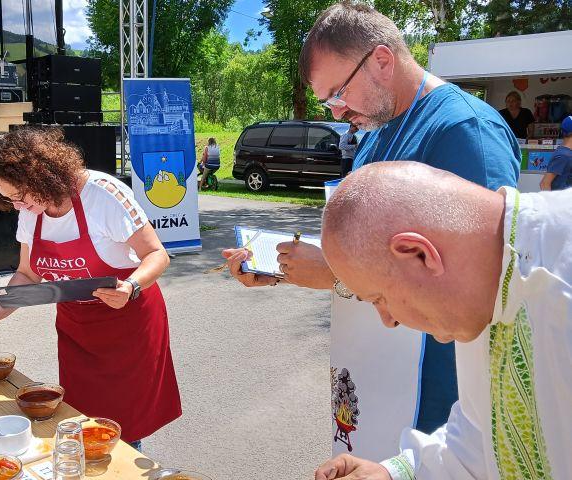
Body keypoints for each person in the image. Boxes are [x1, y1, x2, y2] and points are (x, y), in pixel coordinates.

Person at [222, 0, 520, 460]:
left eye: (338, 93)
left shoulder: (464, 130)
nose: (337, 112)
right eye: (328, 101)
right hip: (373, 374)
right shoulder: (378, 132)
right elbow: (369, 249)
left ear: (381, 59)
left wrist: (335, 275)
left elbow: (488, 279)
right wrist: (285, 266)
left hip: (436, 394)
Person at [314, 161, 572, 480]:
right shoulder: (481, 288)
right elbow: (479, 439)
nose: (388, 321)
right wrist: (392, 473)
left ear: (420, 254)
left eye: (379, 299)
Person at [0, 128, 181, 450]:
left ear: (42, 174)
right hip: (77, 329)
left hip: (128, 322)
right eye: (8, 199)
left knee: (123, 421)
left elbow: (157, 254)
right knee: (80, 414)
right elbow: (28, 274)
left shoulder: (103, 195)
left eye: (20, 195)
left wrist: (131, 286)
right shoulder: (31, 211)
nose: (17, 205)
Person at [540, 115, 572, 191]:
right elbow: (544, 184)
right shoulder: (563, 156)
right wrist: (550, 199)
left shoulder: (566, 153)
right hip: (562, 198)